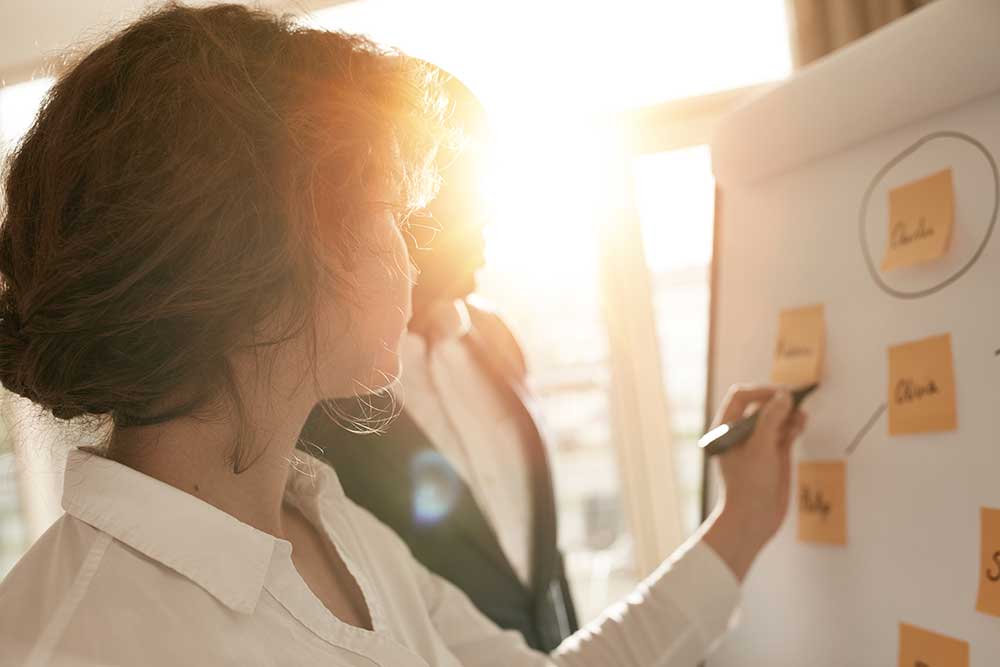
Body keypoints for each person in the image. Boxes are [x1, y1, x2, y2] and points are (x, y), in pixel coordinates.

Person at [0, 5, 806, 667]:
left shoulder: (337, 528)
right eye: (391, 209)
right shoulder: (67, 644)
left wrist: (738, 525)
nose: (412, 251)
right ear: (266, 257)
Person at [299, 73, 580, 652]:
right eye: (467, 189)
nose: (489, 213)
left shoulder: (498, 339)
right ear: (400, 198)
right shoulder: (324, 387)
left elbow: (538, 557)